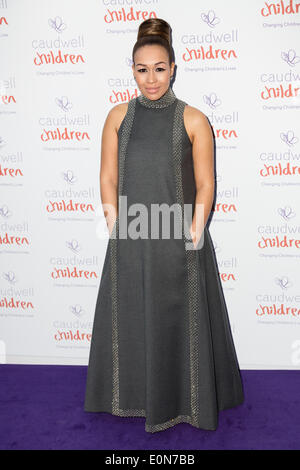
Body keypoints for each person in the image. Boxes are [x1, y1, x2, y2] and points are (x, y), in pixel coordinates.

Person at [84, 18, 244, 433]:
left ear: (173, 68)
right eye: (141, 69)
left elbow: (206, 183)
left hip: (179, 241)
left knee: (180, 324)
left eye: (159, 68)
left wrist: (193, 233)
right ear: (132, 70)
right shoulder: (118, 116)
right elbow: (107, 177)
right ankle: (130, 398)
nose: (150, 78)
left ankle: (184, 401)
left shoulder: (194, 119)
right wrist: (116, 225)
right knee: (131, 320)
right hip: (132, 236)